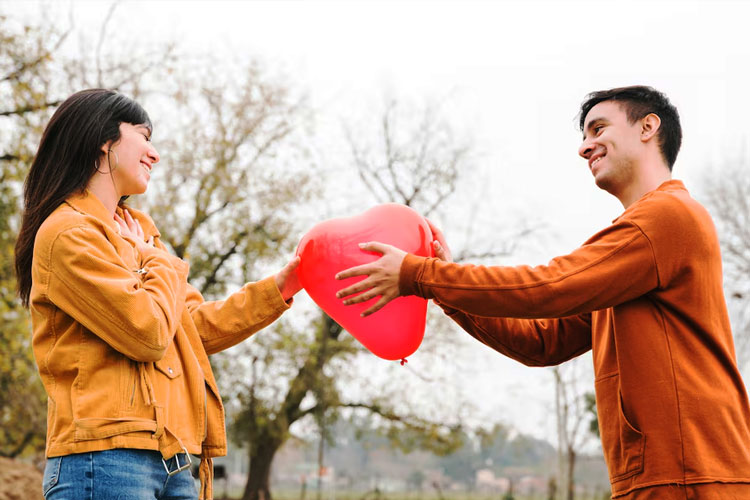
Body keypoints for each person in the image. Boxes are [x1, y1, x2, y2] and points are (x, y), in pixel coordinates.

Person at [335, 85, 750, 499]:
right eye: (584, 137)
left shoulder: (666, 216)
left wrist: (420, 274)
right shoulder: (635, 244)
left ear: (648, 127)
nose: (585, 147)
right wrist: (443, 288)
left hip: (692, 474)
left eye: (598, 128)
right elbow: (543, 341)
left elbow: (552, 285)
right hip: (662, 477)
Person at [14, 89, 302, 500]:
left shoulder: (140, 233)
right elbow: (147, 332)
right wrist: (158, 260)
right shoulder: (68, 233)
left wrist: (282, 286)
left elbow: (191, 329)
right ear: (104, 139)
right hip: (108, 461)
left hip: (176, 460)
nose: (155, 153)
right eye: (144, 136)